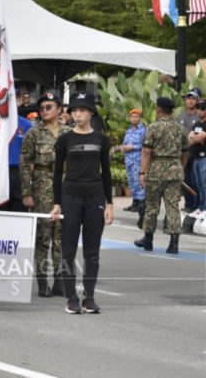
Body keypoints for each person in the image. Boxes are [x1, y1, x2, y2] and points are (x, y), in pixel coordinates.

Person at [51, 92, 113, 314]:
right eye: (74, 111)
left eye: (82, 110)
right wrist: (57, 203)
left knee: (92, 250)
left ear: (91, 113)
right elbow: (57, 174)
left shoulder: (101, 140)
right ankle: (71, 298)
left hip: (95, 198)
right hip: (70, 197)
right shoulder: (65, 140)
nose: (78, 114)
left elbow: (106, 174)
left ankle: (89, 297)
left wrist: (110, 203)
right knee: (68, 249)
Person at [20, 92, 70, 298]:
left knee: (62, 237)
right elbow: (24, 162)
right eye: (42, 107)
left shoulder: (69, 132)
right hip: (42, 184)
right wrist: (26, 192)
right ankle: (42, 281)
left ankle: (59, 280)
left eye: (49, 107)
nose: (44, 111)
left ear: (59, 109)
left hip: (66, 186)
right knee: (43, 236)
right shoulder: (34, 132)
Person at [134, 97, 188, 254]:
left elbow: (146, 151)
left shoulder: (153, 128)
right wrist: (179, 168)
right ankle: (174, 243)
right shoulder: (180, 128)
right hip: (174, 169)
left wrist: (142, 172)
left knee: (152, 206)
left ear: (158, 109)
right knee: (173, 207)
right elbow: (185, 152)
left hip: (156, 171)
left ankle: (148, 239)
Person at [177, 88, 201, 216]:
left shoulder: (200, 116)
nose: (190, 101)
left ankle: (198, 206)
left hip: (195, 154)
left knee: (196, 181)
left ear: (197, 101)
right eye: (188, 98)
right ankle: (189, 205)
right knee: (185, 181)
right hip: (182, 155)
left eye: (193, 98)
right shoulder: (180, 116)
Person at [122, 109, 146, 216]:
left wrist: (133, 147)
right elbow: (125, 143)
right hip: (129, 160)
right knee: (132, 182)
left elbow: (146, 146)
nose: (134, 118)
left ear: (140, 118)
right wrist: (123, 147)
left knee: (139, 182)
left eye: (136, 116)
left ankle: (141, 203)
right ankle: (135, 202)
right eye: (132, 116)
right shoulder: (129, 131)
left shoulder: (143, 131)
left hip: (138, 160)